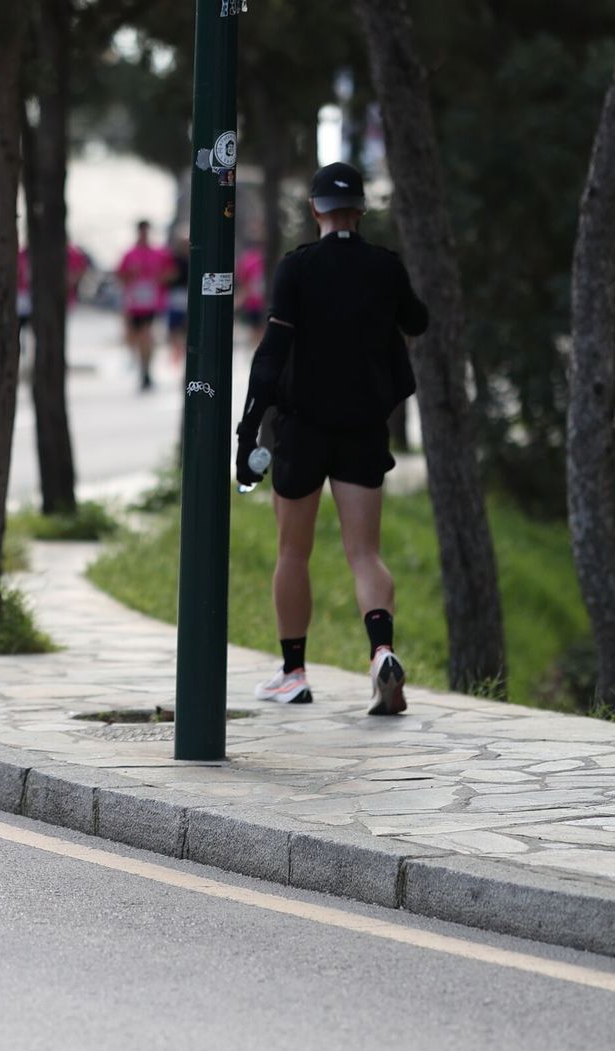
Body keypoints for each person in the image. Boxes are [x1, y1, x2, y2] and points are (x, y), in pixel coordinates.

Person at [235, 161, 428, 716]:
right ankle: (381, 654)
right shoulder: (384, 267)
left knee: (293, 551)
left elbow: (271, 353)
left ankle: (293, 672)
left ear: (315, 209)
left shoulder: (297, 268)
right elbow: (417, 321)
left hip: (303, 428)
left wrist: (249, 428)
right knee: (365, 553)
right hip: (363, 428)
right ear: (361, 210)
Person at [116, 220, 171, 392]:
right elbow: (120, 276)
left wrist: (158, 279)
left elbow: (171, 273)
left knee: (147, 336)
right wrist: (131, 277)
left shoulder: (159, 253)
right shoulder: (129, 254)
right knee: (136, 338)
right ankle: (142, 367)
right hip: (134, 303)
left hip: (152, 303)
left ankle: (147, 371)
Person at [165, 234, 191, 368]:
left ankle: (182, 352)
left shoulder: (194, 259)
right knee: (174, 328)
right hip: (176, 297)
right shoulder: (173, 259)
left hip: (188, 297)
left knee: (186, 328)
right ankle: (177, 352)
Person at [236, 242, 268, 348]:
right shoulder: (252, 260)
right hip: (254, 302)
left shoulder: (250, 260)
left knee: (257, 328)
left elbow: (242, 281)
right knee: (257, 328)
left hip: (256, 301)